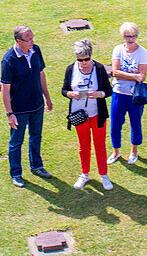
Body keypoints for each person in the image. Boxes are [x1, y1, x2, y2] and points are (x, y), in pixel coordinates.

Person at [1, 25, 54, 187]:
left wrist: (47, 97)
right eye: (28, 39)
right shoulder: (9, 60)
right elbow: (5, 88)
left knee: (36, 136)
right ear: (18, 41)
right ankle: (16, 173)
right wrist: (10, 113)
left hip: (37, 105)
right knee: (16, 142)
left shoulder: (36, 50)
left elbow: (41, 74)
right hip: (19, 110)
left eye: (32, 38)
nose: (32, 42)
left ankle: (37, 166)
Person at [61, 39, 114, 190]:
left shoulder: (99, 69)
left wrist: (99, 94)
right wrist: (71, 94)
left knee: (100, 145)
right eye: (80, 60)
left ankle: (104, 174)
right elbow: (64, 90)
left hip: (97, 114)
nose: (83, 63)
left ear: (91, 55)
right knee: (84, 146)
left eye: (86, 59)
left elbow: (109, 91)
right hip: (80, 115)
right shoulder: (71, 69)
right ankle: (84, 174)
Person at [108, 22, 147, 165]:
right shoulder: (118, 50)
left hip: (134, 96)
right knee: (115, 124)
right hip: (119, 93)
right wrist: (133, 76)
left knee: (135, 123)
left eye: (133, 36)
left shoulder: (142, 52)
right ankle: (116, 151)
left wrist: (124, 74)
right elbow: (115, 73)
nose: (130, 39)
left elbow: (142, 76)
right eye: (127, 36)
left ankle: (134, 150)